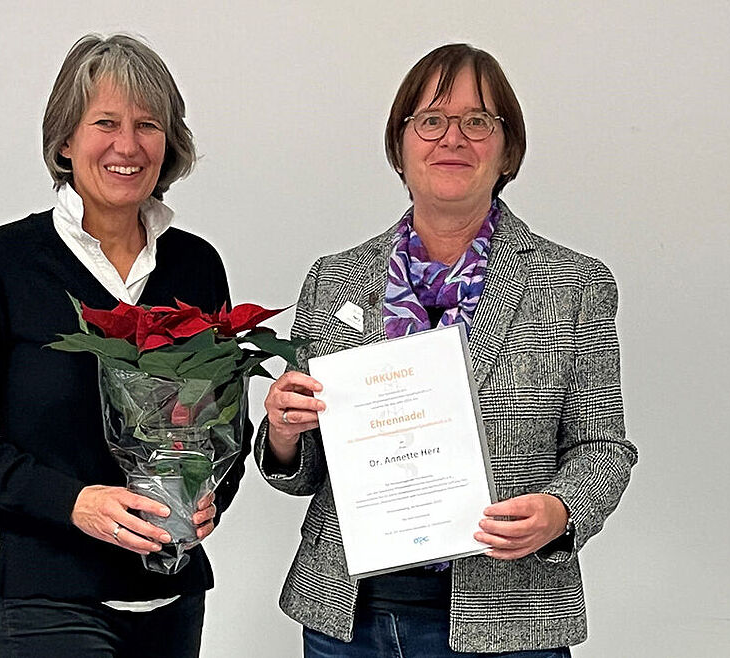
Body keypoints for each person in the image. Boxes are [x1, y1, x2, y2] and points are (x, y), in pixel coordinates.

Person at [258, 44, 637, 657]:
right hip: (348, 621)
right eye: (431, 120)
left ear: (507, 149)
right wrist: (281, 429)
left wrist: (562, 511)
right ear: (400, 146)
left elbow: (604, 448)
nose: (452, 138)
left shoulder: (573, 284)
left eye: (478, 122)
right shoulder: (336, 280)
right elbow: (301, 469)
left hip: (513, 618)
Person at [0, 33, 248, 657]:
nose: (127, 146)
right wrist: (74, 503)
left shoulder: (196, 264)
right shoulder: (5, 261)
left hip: (173, 597)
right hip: (47, 595)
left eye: (147, 124)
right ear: (66, 141)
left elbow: (223, 420)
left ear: (168, 143)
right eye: (105, 122)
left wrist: (212, 496)